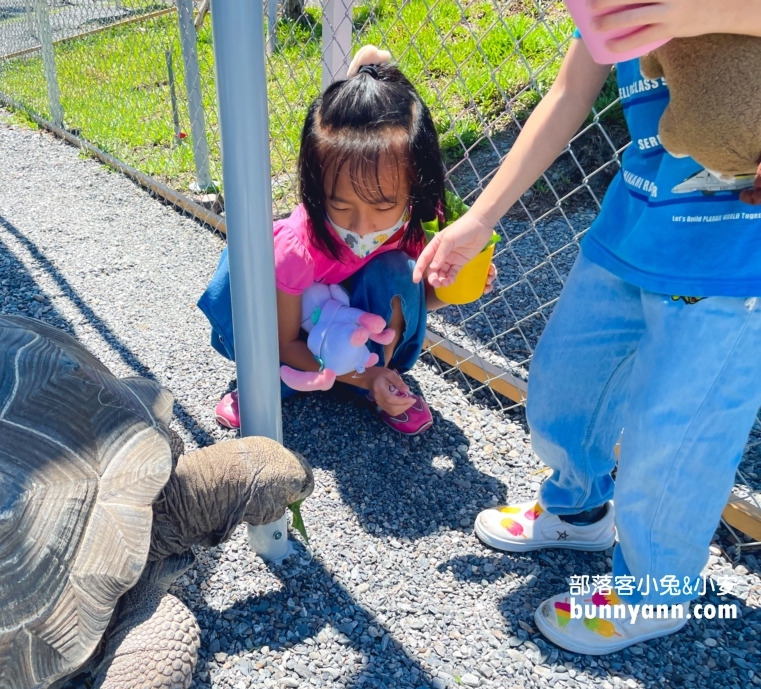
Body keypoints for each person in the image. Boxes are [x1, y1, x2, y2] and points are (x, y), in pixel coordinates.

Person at [413, 1, 761, 655]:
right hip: (634, 221)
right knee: (563, 387)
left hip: (738, 254)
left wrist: (690, 14)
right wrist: (480, 218)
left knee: (675, 443)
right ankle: (578, 509)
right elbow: (571, 90)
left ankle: (655, 594)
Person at [198, 49, 495, 435]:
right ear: (316, 188)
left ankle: (374, 377)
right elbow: (286, 342)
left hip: (353, 330)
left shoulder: (413, 224)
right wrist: (363, 378)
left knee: (399, 269)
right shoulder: (297, 245)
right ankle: (266, 382)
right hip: (292, 336)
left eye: (384, 205)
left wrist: (455, 289)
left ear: (414, 187)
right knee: (246, 279)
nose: (363, 225)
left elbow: (414, 299)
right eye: (340, 204)